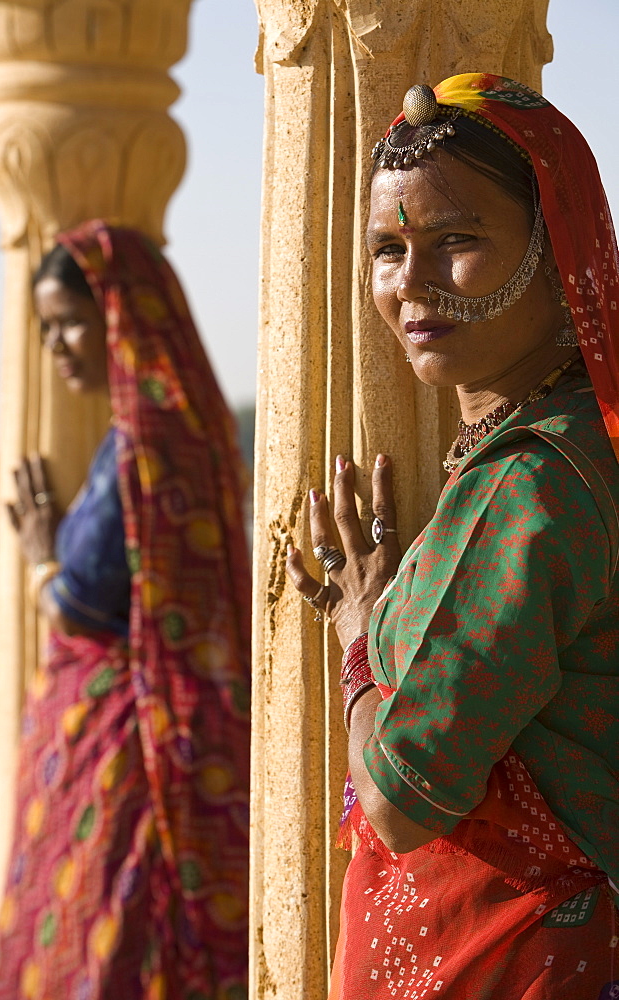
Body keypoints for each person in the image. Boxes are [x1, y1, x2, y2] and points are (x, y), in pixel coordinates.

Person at [287, 74, 619, 999]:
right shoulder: (567, 444)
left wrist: (360, 629)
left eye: (457, 241)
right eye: (388, 249)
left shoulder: (533, 481)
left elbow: (399, 796)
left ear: (557, 253)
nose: (411, 284)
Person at [0, 221, 252, 1000]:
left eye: (68, 322)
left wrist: (40, 556)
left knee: (109, 947)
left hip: (133, 756)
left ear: (121, 316)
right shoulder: (191, 435)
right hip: (176, 732)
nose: (56, 347)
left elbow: (74, 606)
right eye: (46, 328)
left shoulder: (139, 451)